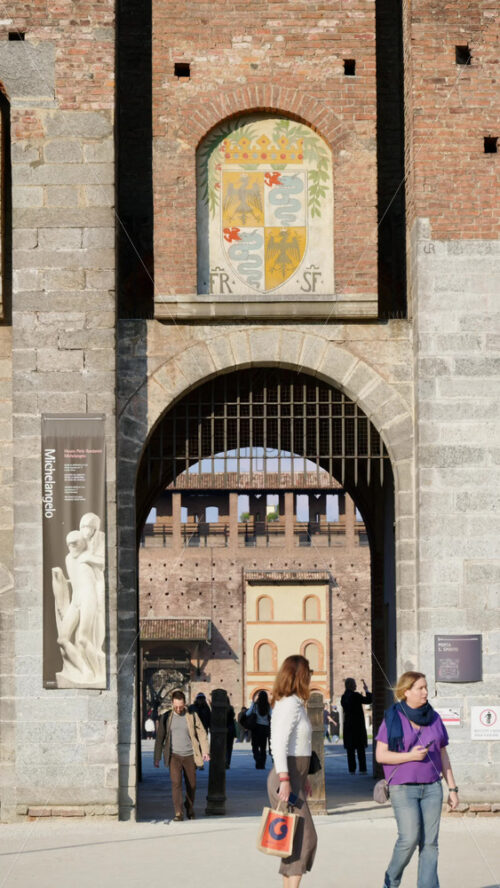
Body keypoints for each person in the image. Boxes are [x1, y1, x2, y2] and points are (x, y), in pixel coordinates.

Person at [375, 671, 460, 888]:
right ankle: (390, 881)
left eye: (426, 687)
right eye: (420, 688)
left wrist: (452, 788)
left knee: (430, 843)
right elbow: (381, 755)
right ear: (406, 692)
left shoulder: (434, 718)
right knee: (409, 838)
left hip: (432, 787)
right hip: (403, 788)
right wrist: (411, 756)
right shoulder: (393, 717)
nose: (425, 692)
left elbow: (443, 754)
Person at [267, 655, 317, 887]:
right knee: (305, 839)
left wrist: (301, 777)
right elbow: (278, 743)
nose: (310, 677)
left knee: (293, 842)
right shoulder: (288, 705)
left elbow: (299, 744)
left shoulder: (295, 703)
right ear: (299, 676)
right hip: (285, 777)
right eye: (308, 672)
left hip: (294, 777)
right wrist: (286, 779)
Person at [154, 690, 210, 821]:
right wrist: (157, 757)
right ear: (172, 704)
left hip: (190, 755)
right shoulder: (166, 717)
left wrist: (205, 751)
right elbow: (159, 738)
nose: (179, 709)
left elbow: (202, 733)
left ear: (185, 703)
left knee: (192, 785)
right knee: (176, 783)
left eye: (181, 706)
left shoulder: (192, 715)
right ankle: (178, 812)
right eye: (176, 706)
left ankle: (189, 807)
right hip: (174, 756)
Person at [340, 677, 372, 773]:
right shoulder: (356, 696)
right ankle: (362, 769)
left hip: (348, 726)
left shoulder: (343, 697)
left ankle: (352, 770)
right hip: (357, 726)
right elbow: (369, 700)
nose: (356, 685)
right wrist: (366, 690)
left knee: (350, 750)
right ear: (350, 685)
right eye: (354, 684)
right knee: (360, 749)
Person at [246, 690, 271, 769]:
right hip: (265, 728)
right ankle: (262, 764)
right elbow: (272, 715)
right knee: (263, 748)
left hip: (256, 728)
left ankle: (258, 760)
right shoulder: (268, 706)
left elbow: (247, 713)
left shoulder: (255, 705)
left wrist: (252, 704)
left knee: (255, 746)